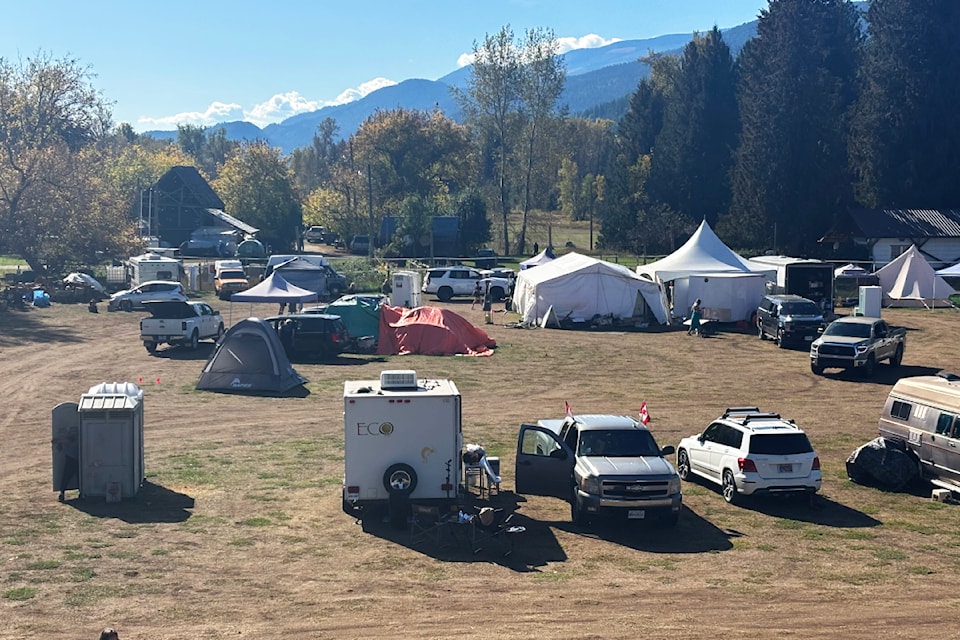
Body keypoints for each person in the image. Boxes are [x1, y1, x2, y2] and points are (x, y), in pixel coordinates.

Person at [56, 427, 79, 502]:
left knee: (75, 477)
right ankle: (62, 492)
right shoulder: (78, 435)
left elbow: (68, 440)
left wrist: (58, 441)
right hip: (73, 458)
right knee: (69, 476)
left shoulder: (73, 437)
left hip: (74, 458)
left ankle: (63, 492)